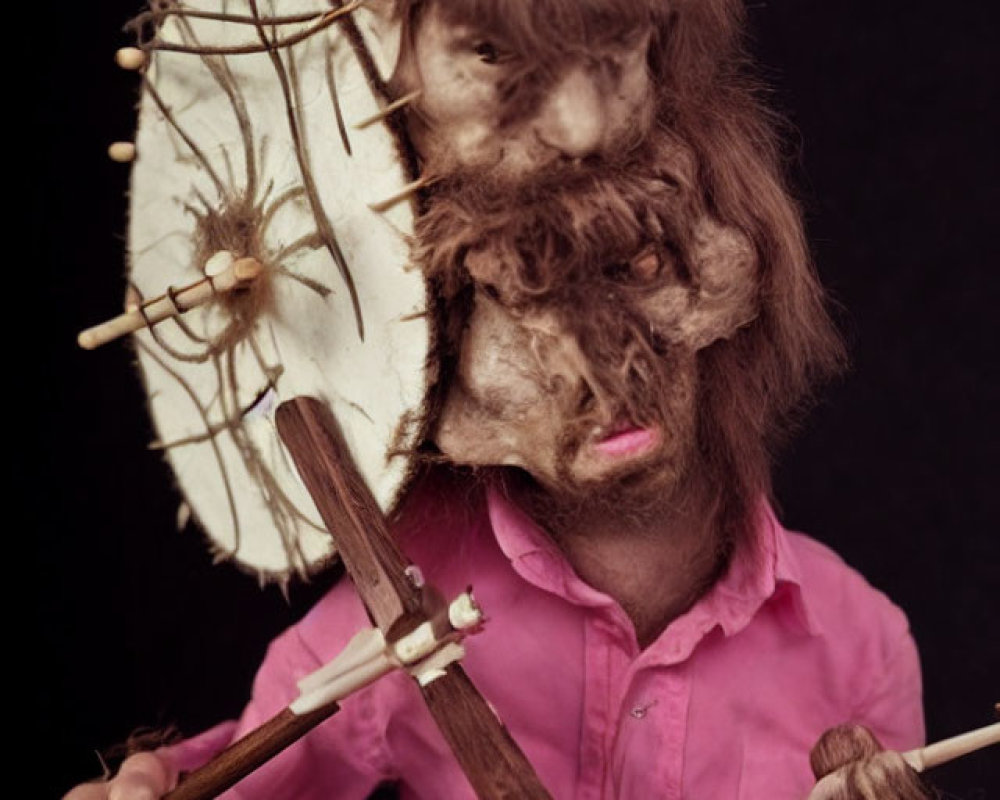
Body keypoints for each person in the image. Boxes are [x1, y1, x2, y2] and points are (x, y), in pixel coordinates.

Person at [66, 0, 935, 797]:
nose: (598, 375)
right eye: (525, 310)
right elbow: (245, 768)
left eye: (636, 272)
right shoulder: (396, 613)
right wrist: (153, 781)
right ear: (441, 379)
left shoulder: (862, 645)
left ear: (733, 283)